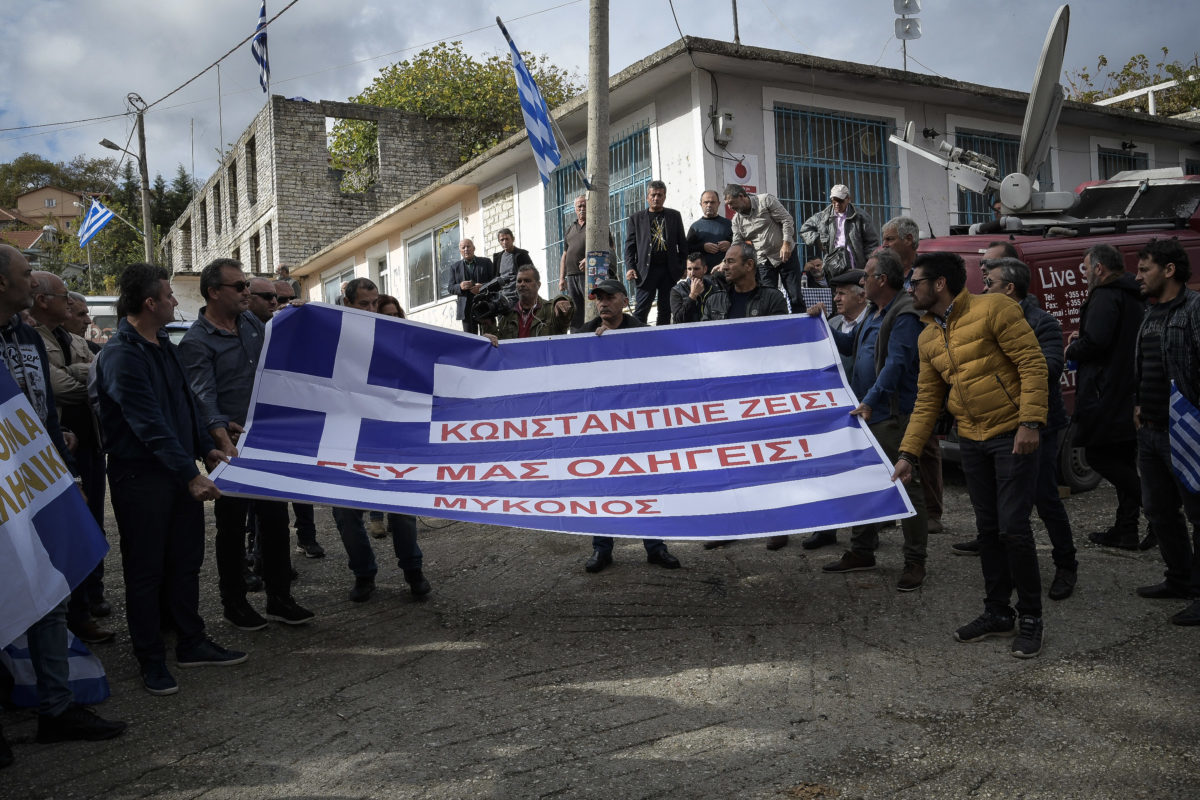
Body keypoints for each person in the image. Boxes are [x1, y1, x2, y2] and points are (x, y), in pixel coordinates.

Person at [93, 263, 248, 695]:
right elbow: (148, 424)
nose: (176, 301)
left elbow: (186, 404)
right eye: (169, 295)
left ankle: (191, 642)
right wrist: (189, 474)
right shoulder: (121, 355)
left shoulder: (163, 344)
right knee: (145, 571)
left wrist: (206, 447)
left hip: (178, 474)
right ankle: (151, 658)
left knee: (185, 562)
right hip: (141, 479)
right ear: (150, 303)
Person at [892, 251, 1049, 657]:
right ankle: (997, 612)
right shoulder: (928, 335)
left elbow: (1033, 364)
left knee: (1014, 527)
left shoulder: (994, 307)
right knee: (989, 529)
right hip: (973, 439)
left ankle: (1030, 617)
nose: (911, 290)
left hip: (1012, 434)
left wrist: (1030, 423)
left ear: (939, 283)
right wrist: (908, 452)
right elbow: (927, 400)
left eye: (916, 282)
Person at [0, 245, 125, 750]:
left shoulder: (28, 336)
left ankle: (56, 709)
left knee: (49, 594)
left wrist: (62, 464)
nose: (33, 282)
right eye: (26, 273)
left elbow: (45, 409)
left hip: (38, 483)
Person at [178, 258, 315, 631]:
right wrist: (222, 439)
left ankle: (279, 598)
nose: (246, 292)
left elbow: (283, 343)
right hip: (228, 448)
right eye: (238, 287)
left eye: (245, 286)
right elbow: (203, 397)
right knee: (232, 526)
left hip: (266, 441)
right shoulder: (196, 342)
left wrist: (300, 314)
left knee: (274, 521)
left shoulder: (252, 323)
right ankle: (234, 603)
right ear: (213, 292)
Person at [962, 257, 1078, 600]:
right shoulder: (984, 319)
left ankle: (1066, 564)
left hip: (1037, 424)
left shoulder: (1042, 322)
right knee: (1006, 507)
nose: (983, 289)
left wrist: (1005, 365)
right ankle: (1012, 569)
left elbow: (1050, 366)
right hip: (996, 426)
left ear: (1010, 288)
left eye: (990, 283)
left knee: (1044, 497)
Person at [813, 248, 928, 590]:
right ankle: (862, 550)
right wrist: (823, 325)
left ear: (882, 280)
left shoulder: (904, 314)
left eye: (867, 276)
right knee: (863, 480)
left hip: (891, 415)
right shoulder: (877, 313)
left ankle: (914, 561)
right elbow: (850, 347)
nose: (862, 282)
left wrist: (871, 400)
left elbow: (896, 365)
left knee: (907, 485)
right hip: (869, 412)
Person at [330, 278, 431, 602]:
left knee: (401, 511)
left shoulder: (400, 341)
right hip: (346, 438)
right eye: (365, 304)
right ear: (346, 304)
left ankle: (413, 572)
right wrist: (299, 313)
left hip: (392, 439)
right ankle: (363, 574)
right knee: (346, 512)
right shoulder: (333, 336)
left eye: (376, 303)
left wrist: (481, 344)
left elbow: (440, 356)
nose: (372, 310)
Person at [29, 272, 112, 645]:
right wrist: (85, 375)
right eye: (66, 299)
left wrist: (80, 374)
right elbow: (55, 387)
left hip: (90, 445)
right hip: (53, 451)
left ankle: (87, 603)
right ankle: (67, 619)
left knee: (90, 523)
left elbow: (98, 376)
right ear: (43, 300)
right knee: (60, 531)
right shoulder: (29, 340)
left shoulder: (76, 340)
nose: (75, 310)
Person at [580, 278, 682, 573]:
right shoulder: (585, 335)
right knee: (602, 486)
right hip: (600, 427)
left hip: (637, 427)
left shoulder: (640, 333)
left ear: (624, 301)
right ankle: (602, 550)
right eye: (598, 298)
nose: (603, 303)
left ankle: (655, 547)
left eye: (609, 297)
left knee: (646, 485)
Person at [698, 242, 790, 551]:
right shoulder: (715, 301)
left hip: (760, 394)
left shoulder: (773, 299)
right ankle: (730, 524)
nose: (724, 266)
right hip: (724, 395)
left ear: (749, 265)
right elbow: (701, 342)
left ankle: (778, 524)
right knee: (727, 461)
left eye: (730, 261)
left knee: (769, 459)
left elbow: (781, 344)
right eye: (724, 262)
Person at [1131, 238, 1200, 625]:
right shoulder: (1150, 313)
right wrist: (1139, 407)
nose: (1138, 276)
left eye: (1145, 269)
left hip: (1188, 431)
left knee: (1199, 514)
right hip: (1152, 431)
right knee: (1158, 509)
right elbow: (1144, 367)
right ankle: (1179, 578)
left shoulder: (1194, 310)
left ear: (1169, 270)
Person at [1065, 243, 1146, 550]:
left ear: (1099, 268)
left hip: (1106, 391)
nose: (1083, 274)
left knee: (1098, 455)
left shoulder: (1105, 295)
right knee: (1123, 459)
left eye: (1085, 268)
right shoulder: (1131, 293)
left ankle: (1156, 509)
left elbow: (1097, 342)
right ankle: (1126, 529)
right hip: (1126, 389)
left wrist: (1073, 348)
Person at [880, 215, 945, 534]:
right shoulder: (889, 273)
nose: (885, 244)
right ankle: (896, 507)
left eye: (890, 239)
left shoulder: (929, 272)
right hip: (895, 362)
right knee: (893, 442)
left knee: (927, 444)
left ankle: (932, 511)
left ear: (909, 239)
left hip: (923, 365)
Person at [724, 183, 801, 305]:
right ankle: (774, 323)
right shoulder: (736, 220)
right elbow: (737, 244)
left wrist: (786, 244)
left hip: (786, 254)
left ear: (741, 196)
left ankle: (798, 324)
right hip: (763, 261)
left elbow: (787, 220)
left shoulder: (765, 201)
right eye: (727, 204)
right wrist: (725, 261)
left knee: (795, 297)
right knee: (768, 299)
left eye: (731, 203)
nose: (730, 207)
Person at [625, 180, 687, 326]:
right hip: (646, 271)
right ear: (647, 197)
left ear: (664, 197)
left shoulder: (674, 216)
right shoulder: (636, 218)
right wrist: (630, 267)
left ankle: (661, 342)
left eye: (659, 195)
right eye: (653, 195)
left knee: (666, 309)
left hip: (669, 270)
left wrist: (683, 265)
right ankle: (639, 341)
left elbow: (682, 243)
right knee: (641, 309)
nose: (656, 198)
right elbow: (630, 246)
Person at [558, 195, 616, 334]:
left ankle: (594, 334)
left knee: (592, 307)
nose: (582, 208)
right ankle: (576, 338)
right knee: (575, 311)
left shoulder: (597, 225)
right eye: (579, 206)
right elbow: (565, 254)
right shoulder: (570, 229)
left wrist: (590, 259)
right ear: (575, 209)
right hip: (572, 276)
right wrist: (561, 278)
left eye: (584, 205)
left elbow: (610, 249)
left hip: (591, 275)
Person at [800, 184, 880, 281]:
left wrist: (870, 265)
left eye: (840, 201)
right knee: (838, 294)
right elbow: (805, 229)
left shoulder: (860, 216)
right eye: (834, 201)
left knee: (857, 294)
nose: (836, 204)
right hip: (834, 267)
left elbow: (871, 243)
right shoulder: (823, 216)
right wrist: (818, 240)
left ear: (848, 199)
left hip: (857, 267)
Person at [481, 265, 572, 342]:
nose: (522, 284)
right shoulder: (508, 316)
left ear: (538, 285)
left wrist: (561, 301)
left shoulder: (550, 310)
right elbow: (500, 345)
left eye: (527, 281)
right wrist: (489, 331)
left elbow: (565, 317)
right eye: (519, 281)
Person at [446, 239, 496, 335]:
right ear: (460, 251)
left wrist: (483, 288)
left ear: (474, 248)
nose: (466, 249)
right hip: (466, 311)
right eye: (463, 247)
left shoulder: (486, 262)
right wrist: (460, 286)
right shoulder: (454, 267)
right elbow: (450, 288)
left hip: (486, 308)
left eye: (468, 246)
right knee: (471, 342)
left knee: (490, 339)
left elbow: (495, 282)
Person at [685, 189, 733, 270]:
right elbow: (687, 250)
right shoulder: (695, 227)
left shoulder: (729, 224)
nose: (709, 205)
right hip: (703, 275)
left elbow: (740, 245)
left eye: (712, 202)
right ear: (701, 204)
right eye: (706, 202)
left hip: (726, 273)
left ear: (718, 204)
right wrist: (702, 247)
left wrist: (730, 245)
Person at [670, 253, 716, 324]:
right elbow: (678, 320)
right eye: (689, 269)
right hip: (688, 331)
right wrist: (692, 295)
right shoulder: (677, 290)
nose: (692, 273)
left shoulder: (713, 287)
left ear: (705, 269)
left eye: (696, 269)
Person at [491, 227, 533, 306]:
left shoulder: (522, 254)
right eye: (502, 240)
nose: (505, 242)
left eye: (507, 239)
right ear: (499, 242)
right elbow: (495, 278)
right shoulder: (497, 258)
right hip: (502, 300)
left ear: (513, 239)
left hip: (518, 297)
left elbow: (531, 275)